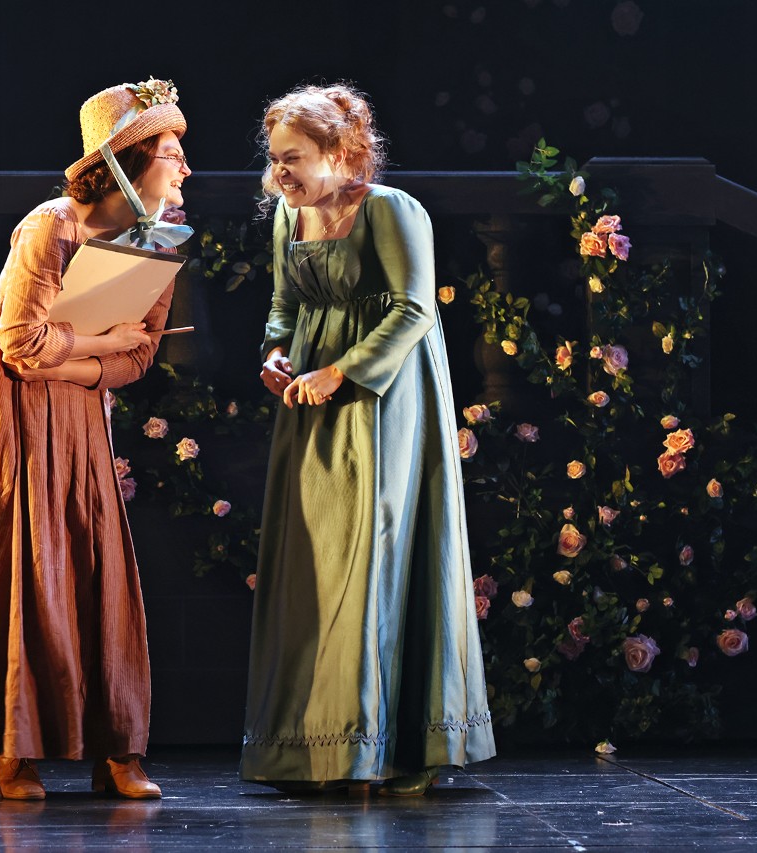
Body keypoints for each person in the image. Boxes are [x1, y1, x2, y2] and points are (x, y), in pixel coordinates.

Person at [0, 79, 193, 801]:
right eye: (170, 153)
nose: (186, 168)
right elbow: (19, 345)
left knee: (96, 564)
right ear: (125, 162)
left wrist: (87, 361)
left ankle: (118, 749)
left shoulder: (157, 238)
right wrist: (98, 341)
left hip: (78, 411)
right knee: (21, 563)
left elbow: (140, 355)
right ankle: (16, 748)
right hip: (11, 412)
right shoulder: (51, 225)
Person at [241, 83, 496, 796]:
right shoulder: (289, 216)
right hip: (310, 399)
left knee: (374, 550)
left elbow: (413, 309)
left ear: (339, 151)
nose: (280, 171)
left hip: (385, 398)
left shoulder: (390, 210)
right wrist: (276, 353)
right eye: (275, 158)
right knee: (318, 560)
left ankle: (377, 747)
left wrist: (342, 372)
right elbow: (284, 305)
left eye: (293, 157)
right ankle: (315, 747)